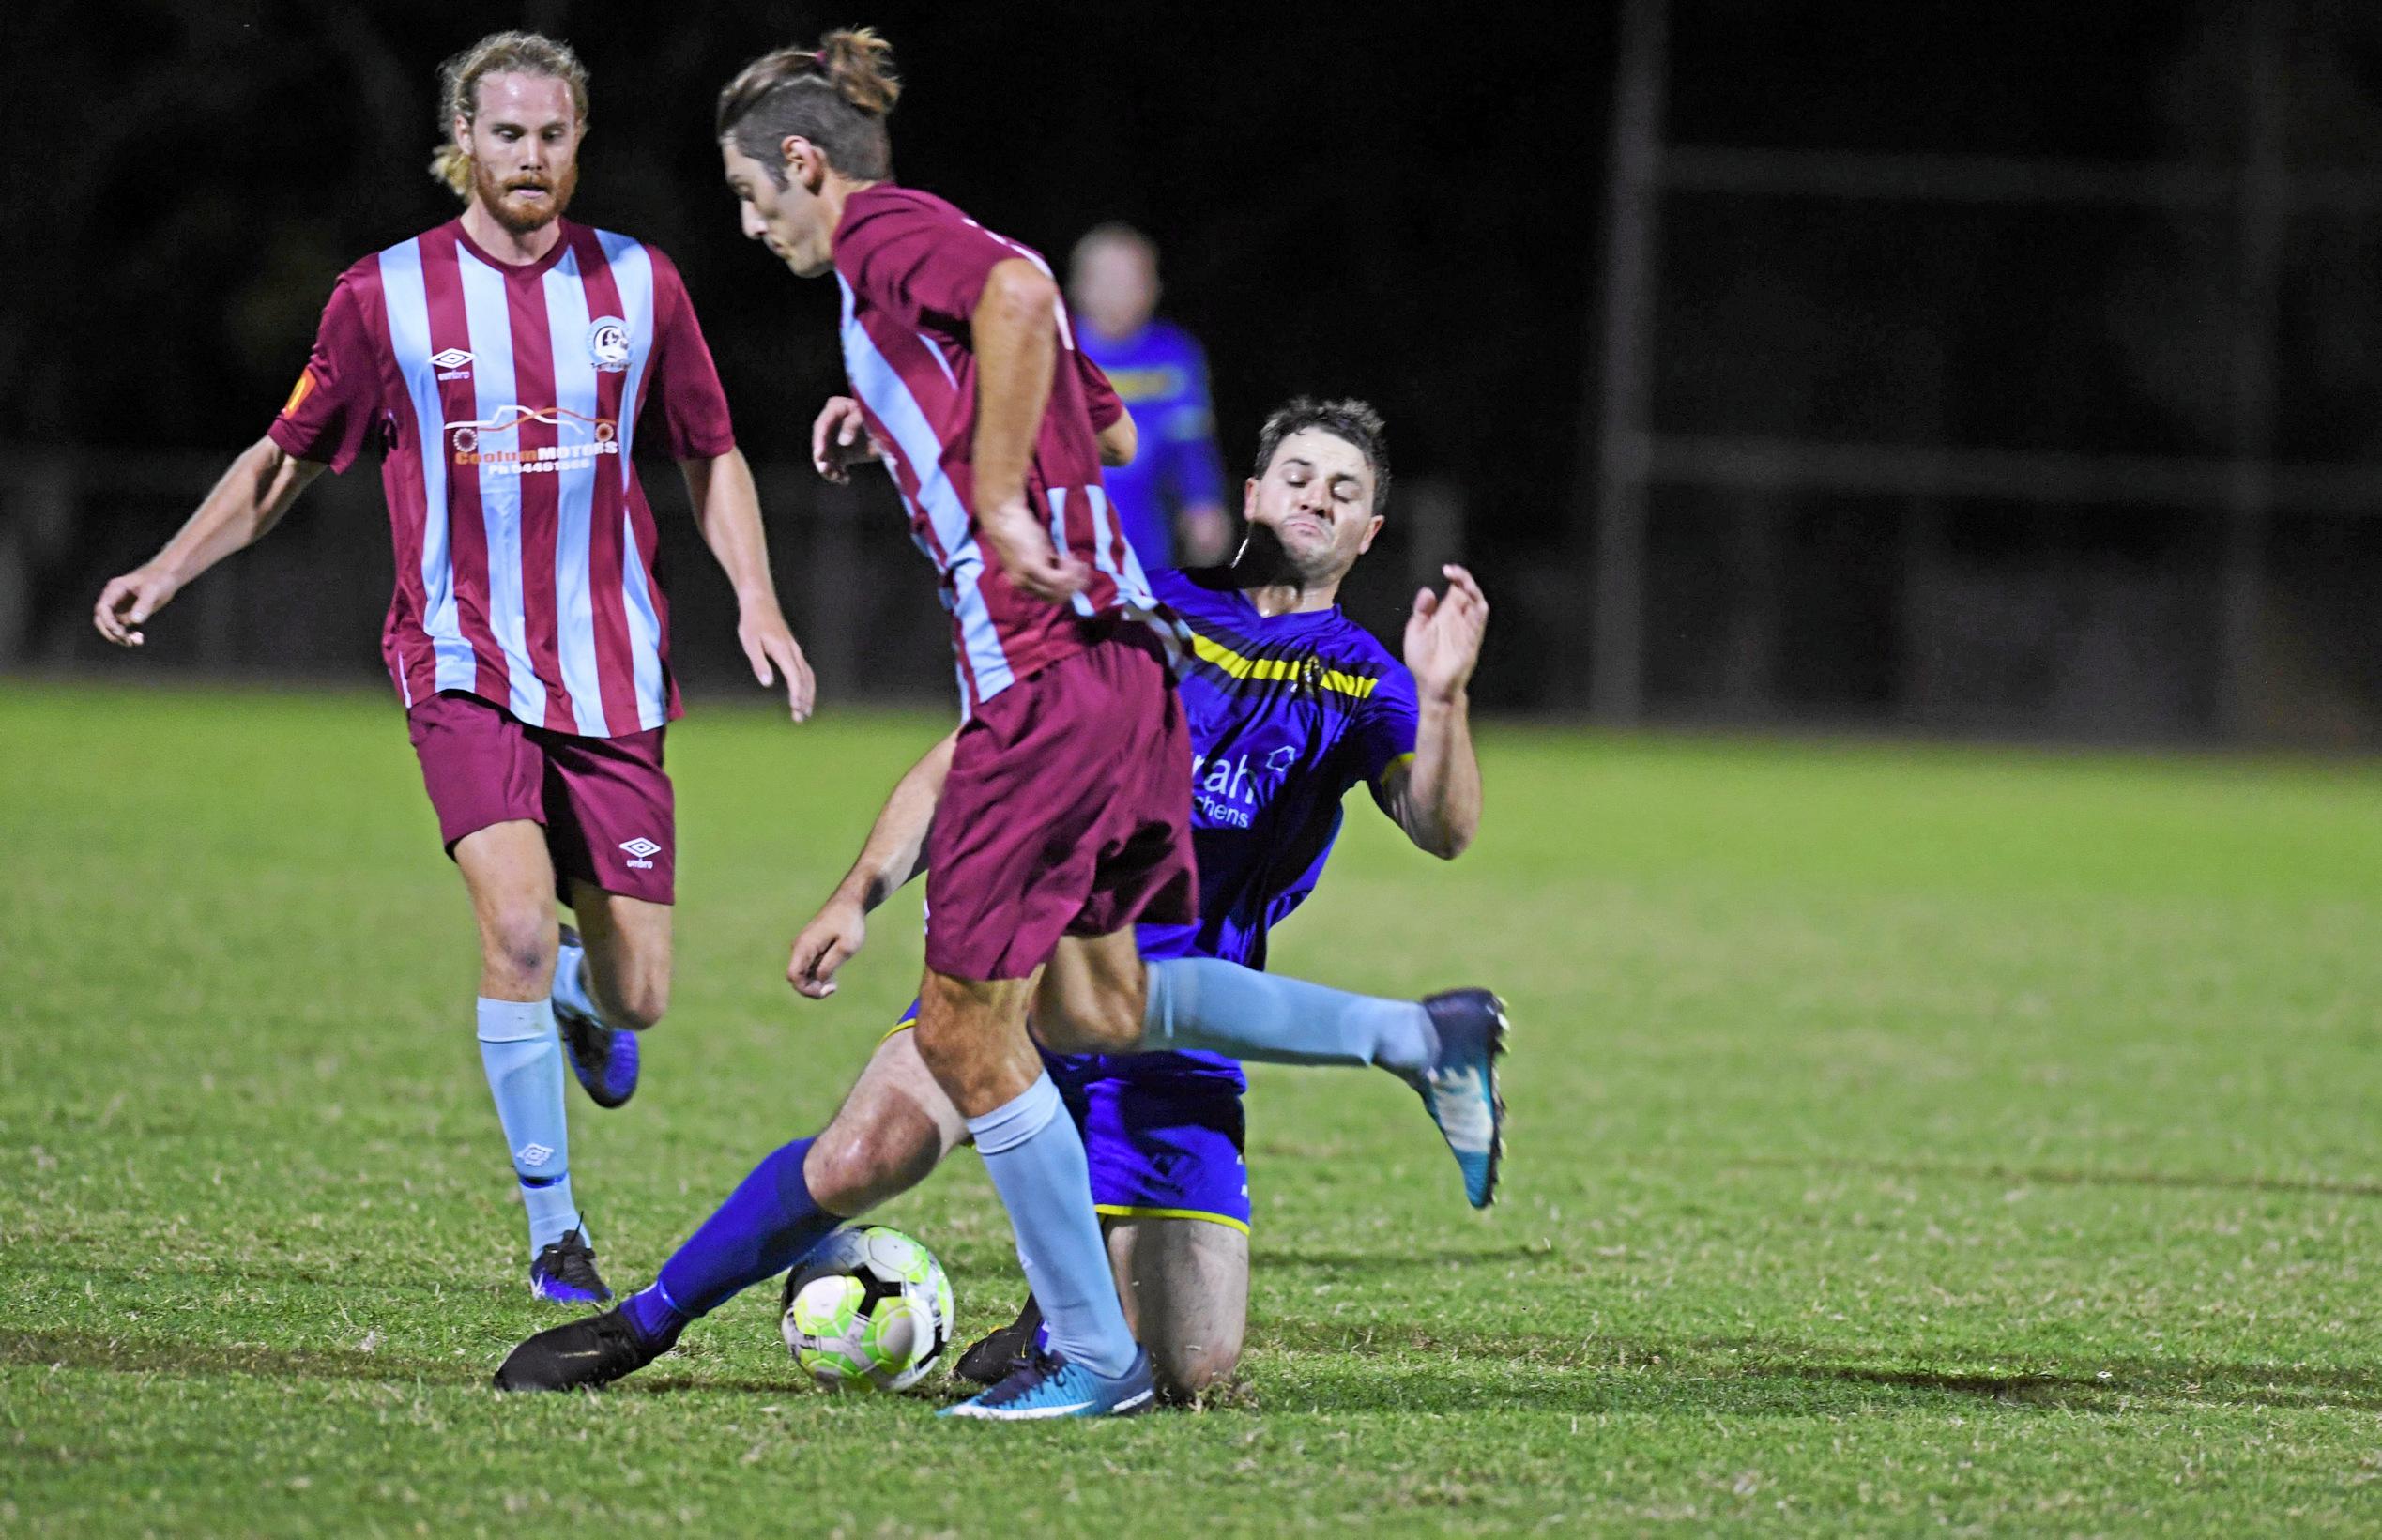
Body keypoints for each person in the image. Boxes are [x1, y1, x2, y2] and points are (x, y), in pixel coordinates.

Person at [610, 28, 1497, 1422]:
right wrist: (900, 418)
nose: (747, 224)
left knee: (1062, 1154)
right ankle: (1400, 1043)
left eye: (745, 193)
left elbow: (1020, 296)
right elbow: (1114, 430)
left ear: (799, 163)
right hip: (1093, 746)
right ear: (1256, 488)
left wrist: (1001, 495)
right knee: (1039, 1033)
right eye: (1296, 473)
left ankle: (1085, 1349)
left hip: (1054, 704)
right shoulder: (1166, 610)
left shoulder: (885, 240)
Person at [492, 396, 1489, 1404]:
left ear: (1368, 534)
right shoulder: (1142, 615)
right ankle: (636, 1326)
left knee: (1190, 1369)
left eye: (1343, 490)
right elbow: (968, 760)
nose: (1315, 496)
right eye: (1299, 475)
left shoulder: (1366, 684)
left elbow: (1439, 824)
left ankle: (1059, 1316)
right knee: (861, 1155)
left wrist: (1443, 700)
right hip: (1023, 965)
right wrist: (858, 896)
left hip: (1175, 1027)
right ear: (1253, 494)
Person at [89, 32, 814, 1305]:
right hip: (458, 653)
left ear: (578, 142)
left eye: (551, 134)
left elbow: (711, 450)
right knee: (519, 926)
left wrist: (756, 597)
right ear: (460, 144)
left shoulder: (642, 287)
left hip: (611, 667)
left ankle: (592, 997)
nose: (528, 157)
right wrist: (166, 566)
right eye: (504, 133)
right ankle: (556, 1233)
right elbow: (284, 460)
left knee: (640, 996)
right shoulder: (383, 299)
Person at [1067, 224, 1232, 568]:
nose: (1119, 294)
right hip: (1062, 533)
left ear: (1153, 288)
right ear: (1078, 286)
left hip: (1146, 532)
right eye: (1106, 281)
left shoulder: (1174, 353)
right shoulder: (1050, 351)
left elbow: (1191, 441)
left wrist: (1204, 503)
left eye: (1132, 281)